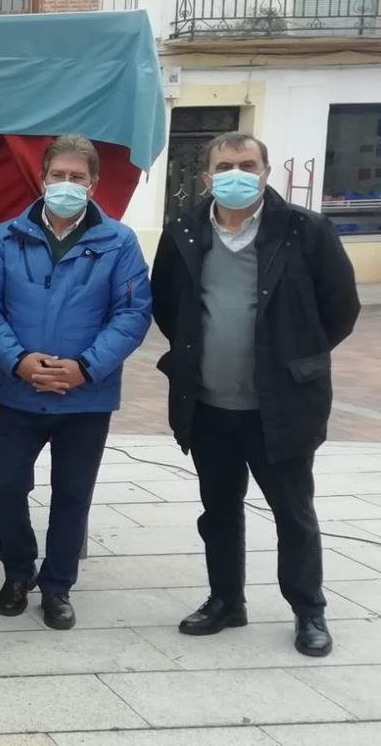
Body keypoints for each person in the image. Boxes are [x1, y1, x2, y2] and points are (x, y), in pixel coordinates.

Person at [152, 132, 360, 658]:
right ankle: (226, 600)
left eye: (247, 164)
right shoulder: (183, 230)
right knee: (218, 510)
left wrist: (296, 358)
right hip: (208, 404)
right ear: (206, 178)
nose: (236, 174)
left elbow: (341, 308)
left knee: (293, 513)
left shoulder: (303, 229)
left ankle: (308, 612)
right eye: (225, 166)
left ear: (267, 172)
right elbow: (167, 305)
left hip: (281, 405)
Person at [0, 135, 153, 630]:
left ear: (93, 184)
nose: (66, 185)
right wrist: (20, 361)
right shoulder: (6, 236)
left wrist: (85, 367)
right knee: (6, 487)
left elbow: (132, 314)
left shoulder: (119, 242)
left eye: (77, 177)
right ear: (42, 179)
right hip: (20, 391)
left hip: (85, 396)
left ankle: (57, 587)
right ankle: (17, 572)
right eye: (57, 176)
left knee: (73, 494)